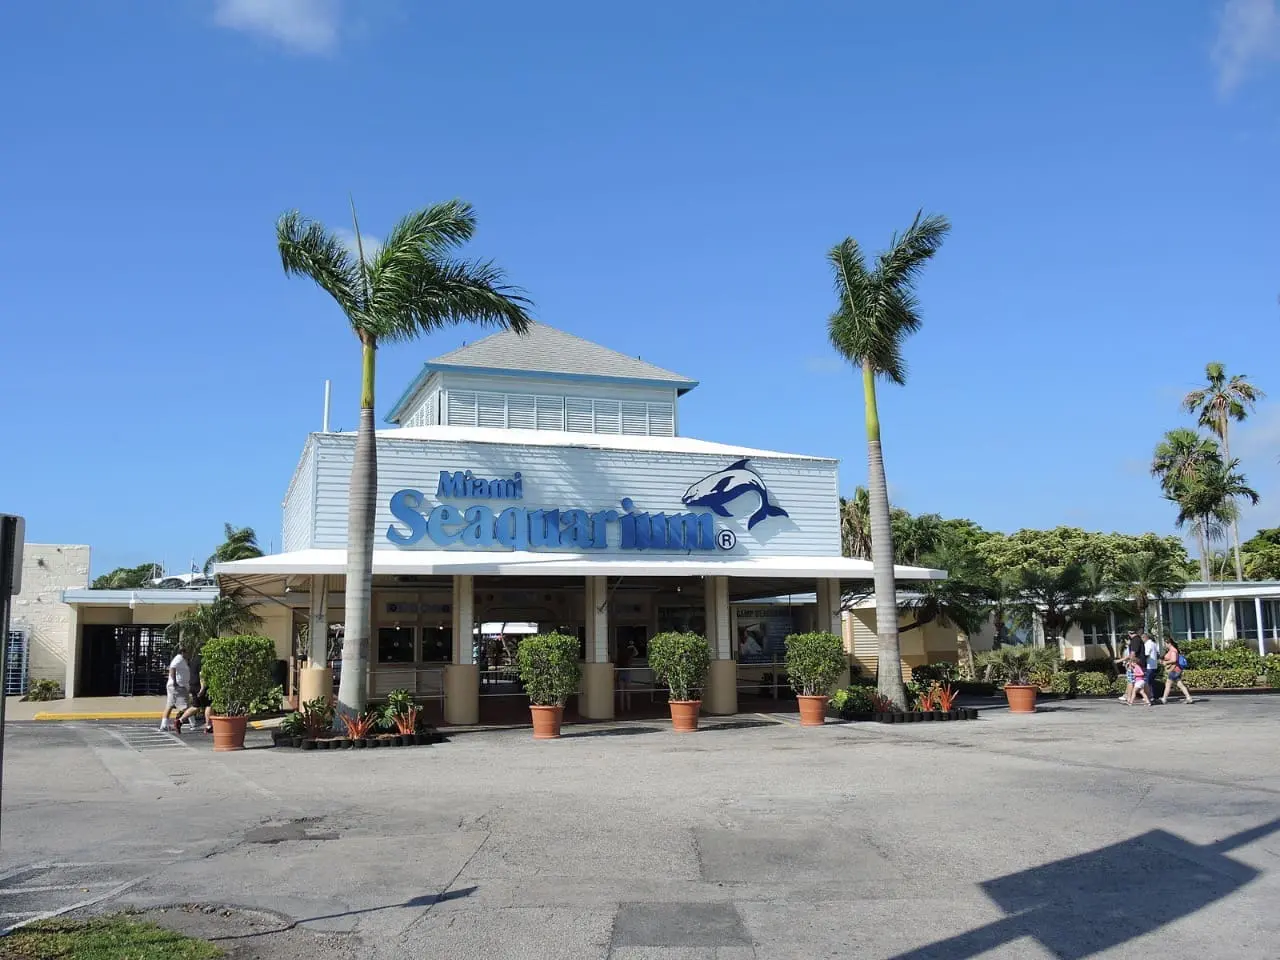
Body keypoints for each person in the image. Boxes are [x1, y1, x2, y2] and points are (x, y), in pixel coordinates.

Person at [160, 649, 192, 733]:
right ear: (182, 652)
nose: (188, 654)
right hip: (178, 686)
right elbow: (172, 668)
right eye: (187, 652)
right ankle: (193, 724)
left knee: (170, 705)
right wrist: (174, 682)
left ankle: (164, 725)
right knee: (186, 706)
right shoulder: (179, 658)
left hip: (177, 686)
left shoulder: (182, 660)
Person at [1160, 638, 1195, 705]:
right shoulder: (1172, 650)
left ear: (1169, 643)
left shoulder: (1173, 651)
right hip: (1176, 670)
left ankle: (1164, 699)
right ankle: (1189, 698)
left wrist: (1166, 662)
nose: (1165, 645)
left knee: (1168, 684)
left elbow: (1174, 660)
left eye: (1165, 643)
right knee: (1180, 684)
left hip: (1174, 669)